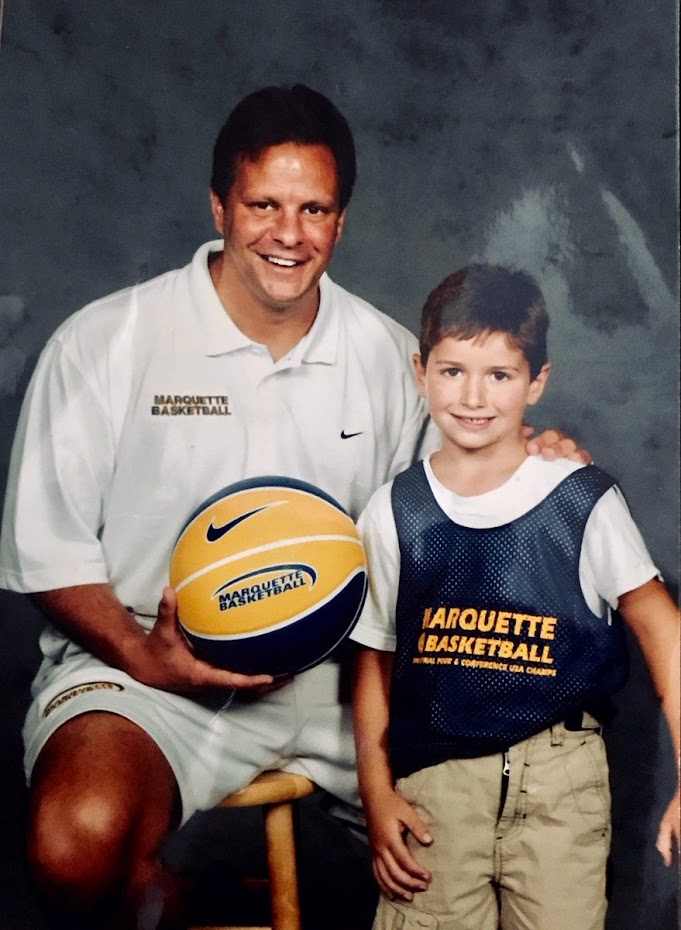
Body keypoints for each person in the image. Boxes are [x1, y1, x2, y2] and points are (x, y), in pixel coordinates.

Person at [0, 87, 587, 929]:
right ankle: (165, 904)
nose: (288, 233)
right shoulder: (107, 342)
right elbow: (48, 556)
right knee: (74, 842)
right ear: (219, 206)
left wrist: (532, 464)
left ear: (340, 221)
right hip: (148, 675)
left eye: (313, 209)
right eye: (263, 205)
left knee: (490, 854)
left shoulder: (393, 360)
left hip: (348, 688)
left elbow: (457, 522)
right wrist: (144, 653)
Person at [351, 263, 680, 930]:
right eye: (451, 371)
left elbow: (663, 635)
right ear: (420, 373)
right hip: (436, 790)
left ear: (536, 381)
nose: (473, 395)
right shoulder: (394, 510)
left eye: (499, 374)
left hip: (561, 783)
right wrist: (376, 791)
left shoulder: (578, 500)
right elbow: (373, 665)